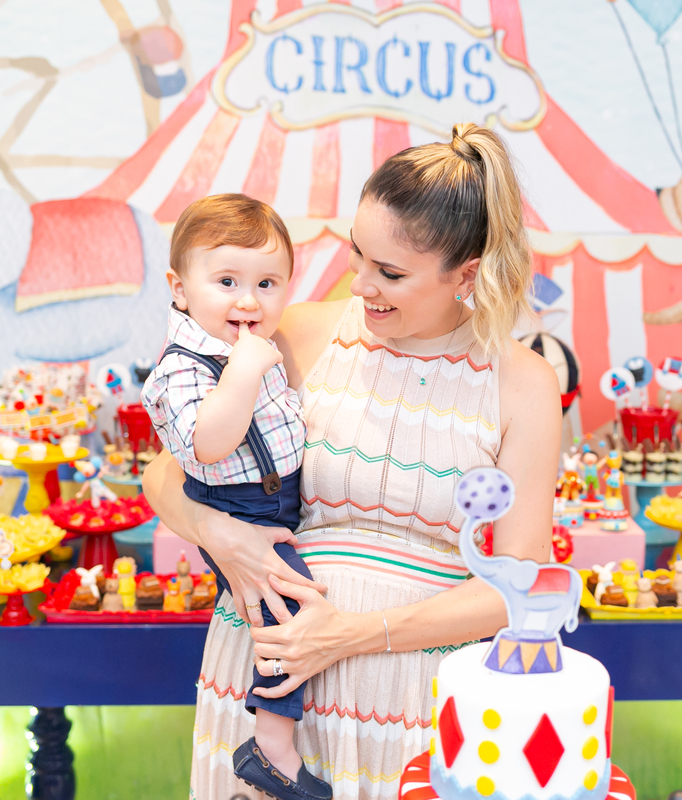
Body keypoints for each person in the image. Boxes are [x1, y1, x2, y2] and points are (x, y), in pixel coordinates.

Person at [142, 123, 561, 799]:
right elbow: (164, 471)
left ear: (467, 273)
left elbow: (516, 583)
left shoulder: (523, 383)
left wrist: (353, 635)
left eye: (390, 273)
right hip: (264, 676)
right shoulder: (301, 332)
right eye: (357, 254)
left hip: (413, 699)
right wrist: (223, 536)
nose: (362, 284)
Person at [140, 194, 328, 799]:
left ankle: (273, 740)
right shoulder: (185, 367)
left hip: (277, 505)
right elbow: (206, 447)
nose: (249, 300)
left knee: (284, 608)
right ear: (180, 288)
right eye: (226, 281)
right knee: (289, 614)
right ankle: (271, 748)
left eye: (268, 283)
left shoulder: (253, 345)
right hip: (238, 509)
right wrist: (244, 371)